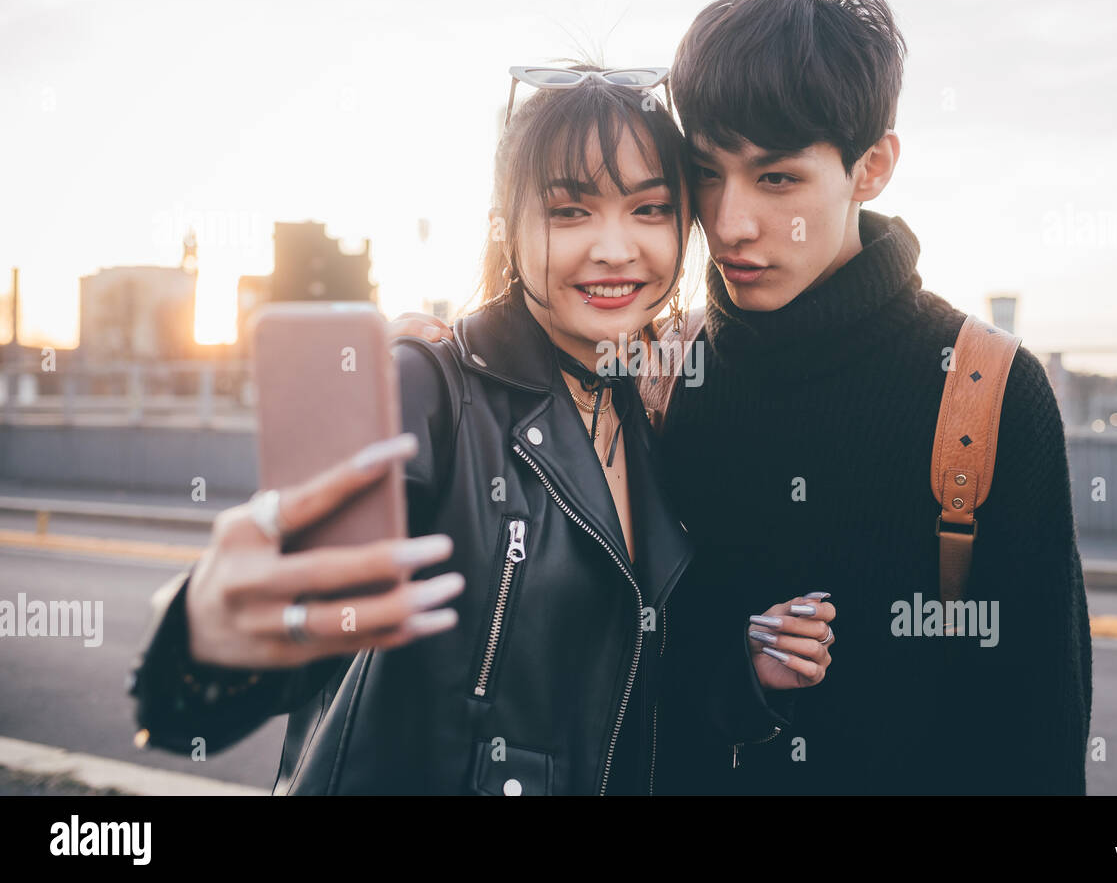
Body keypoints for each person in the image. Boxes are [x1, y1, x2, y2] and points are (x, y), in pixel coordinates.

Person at [127, 62, 833, 795]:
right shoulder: (429, 387)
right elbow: (300, 619)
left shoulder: (643, 418)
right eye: (570, 211)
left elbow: (614, 688)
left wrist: (743, 673)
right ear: (509, 226)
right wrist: (205, 636)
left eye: (649, 209)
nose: (617, 249)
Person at [647, 0, 1094, 794]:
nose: (730, 222)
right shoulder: (662, 378)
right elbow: (612, 689)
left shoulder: (987, 393)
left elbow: (1039, 741)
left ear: (872, 166)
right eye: (706, 172)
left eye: (776, 177)